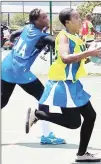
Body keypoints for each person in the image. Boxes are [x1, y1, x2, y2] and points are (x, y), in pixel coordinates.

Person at [25, 8, 101, 162]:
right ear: (67, 22)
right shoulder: (63, 37)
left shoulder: (77, 38)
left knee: (90, 116)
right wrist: (89, 53)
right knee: (74, 122)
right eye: (76, 17)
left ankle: (82, 154)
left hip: (73, 84)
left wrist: (95, 54)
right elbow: (66, 58)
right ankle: (38, 114)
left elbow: (79, 60)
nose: (80, 20)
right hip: (63, 84)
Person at [1, 8, 65, 145]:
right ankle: (46, 135)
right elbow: (57, 44)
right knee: (44, 97)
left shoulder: (27, 28)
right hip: (20, 71)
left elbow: (14, 35)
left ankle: (46, 133)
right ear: (36, 21)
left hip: (6, 67)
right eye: (44, 17)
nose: (47, 18)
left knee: (3, 101)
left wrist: (12, 42)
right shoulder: (42, 37)